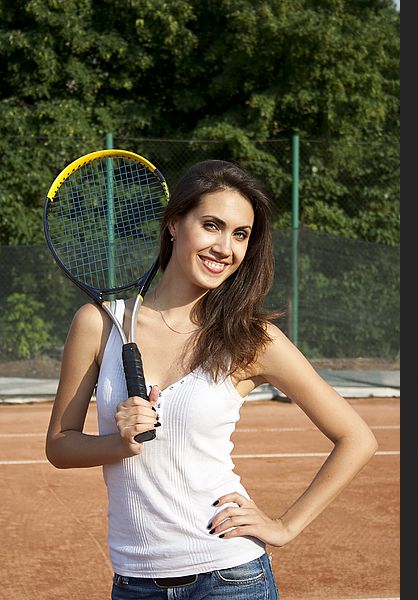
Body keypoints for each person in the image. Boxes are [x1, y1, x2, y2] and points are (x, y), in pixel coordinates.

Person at [46, 159, 378, 599]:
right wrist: (118, 443)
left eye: (240, 234)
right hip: (135, 583)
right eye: (211, 225)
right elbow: (60, 444)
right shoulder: (98, 324)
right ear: (173, 224)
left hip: (230, 577)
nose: (226, 247)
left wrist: (284, 526)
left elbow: (357, 437)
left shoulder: (252, 339)